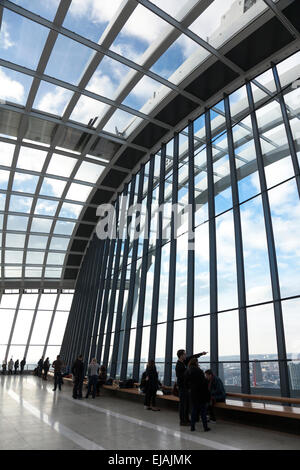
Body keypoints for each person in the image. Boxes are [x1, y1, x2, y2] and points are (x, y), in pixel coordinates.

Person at [175, 349, 207, 426]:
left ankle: (186, 419)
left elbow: (192, 357)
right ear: (181, 355)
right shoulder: (179, 365)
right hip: (182, 387)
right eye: (184, 354)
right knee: (183, 405)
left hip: (185, 387)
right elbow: (180, 376)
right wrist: (188, 372)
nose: (186, 355)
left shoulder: (183, 362)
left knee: (186, 404)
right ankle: (183, 421)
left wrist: (201, 353)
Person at [184, 358, 210, 432]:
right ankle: (205, 427)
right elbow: (203, 383)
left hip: (193, 393)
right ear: (196, 363)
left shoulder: (187, 371)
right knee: (203, 411)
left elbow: (185, 383)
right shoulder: (199, 371)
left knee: (194, 410)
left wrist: (190, 388)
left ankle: (192, 427)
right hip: (201, 393)